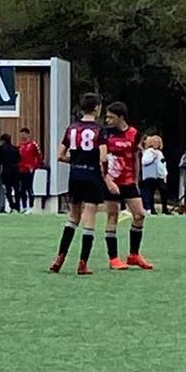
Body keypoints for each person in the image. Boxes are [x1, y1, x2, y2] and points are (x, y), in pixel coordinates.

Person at [50, 92, 110, 275]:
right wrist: (105, 177)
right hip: (92, 175)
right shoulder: (99, 130)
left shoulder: (72, 129)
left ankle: (60, 257)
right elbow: (103, 158)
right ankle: (83, 263)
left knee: (73, 216)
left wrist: (75, 161)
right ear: (97, 108)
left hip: (75, 175)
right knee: (90, 216)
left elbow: (59, 155)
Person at [101, 102, 153, 270]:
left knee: (139, 215)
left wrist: (136, 180)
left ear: (121, 117)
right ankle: (113, 258)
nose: (107, 120)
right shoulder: (104, 134)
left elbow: (135, 157)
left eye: (111, 117)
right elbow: (100, 159)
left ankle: (134, 254)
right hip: (111, 182)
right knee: (112, 217)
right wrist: (106, 180)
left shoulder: (134, 134)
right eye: (106, 117)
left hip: (128, 181)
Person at [139, 134, 167, 215]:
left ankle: (164, 209)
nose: (156, 143)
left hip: (159, 175)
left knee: (163, 190)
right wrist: (152, 158)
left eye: (158, 142)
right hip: (150, 175)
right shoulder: (148, 151)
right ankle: (151, 209)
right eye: (155, 142)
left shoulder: (159, 153)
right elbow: (144, 161)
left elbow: (162, 163)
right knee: (150, 192)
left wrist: (165, 174)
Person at [17, 128, 43, 213]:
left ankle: (31, 207)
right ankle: (24, 206)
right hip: (21, 169)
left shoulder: (33, 145)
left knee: (29, 187)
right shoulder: (20, 146)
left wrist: (35, 166)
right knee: (22, 189)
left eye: (24, 134)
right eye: (21, 135)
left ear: (27, 134)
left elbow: (39, 156)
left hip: (29, 169)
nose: (22, 136)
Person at [0, 133, 21, 213]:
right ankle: (17, 206)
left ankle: (11, 205)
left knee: (8, 190)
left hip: (6, 171)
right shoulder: (15, 148)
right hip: (15, 171)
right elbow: (18, 159)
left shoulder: (2, 149)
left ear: (3, 140)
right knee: (17, 190)